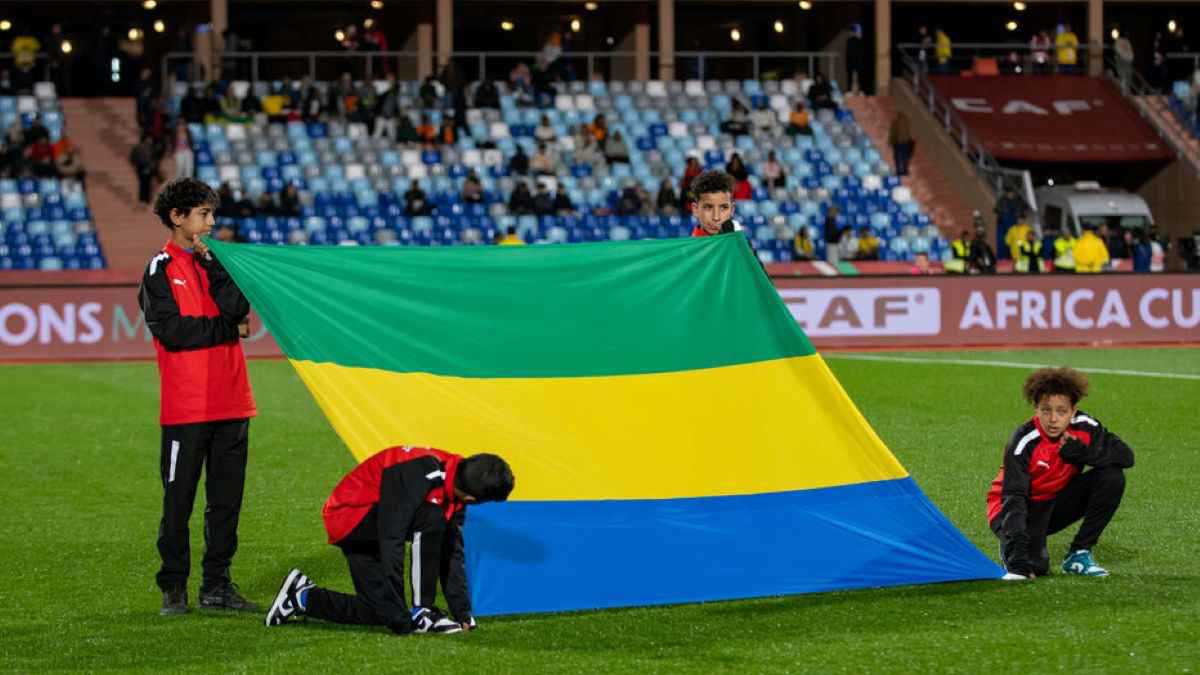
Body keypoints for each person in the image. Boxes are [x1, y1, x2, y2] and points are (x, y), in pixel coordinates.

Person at [138, 178, 257, 615]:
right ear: (178, 217)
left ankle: (217, 586)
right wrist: (227, 330)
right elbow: (172, 332)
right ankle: (173, 587)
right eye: (203, 214)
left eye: (211, 215)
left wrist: (213, 266)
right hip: (186, 409)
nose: (211, 223)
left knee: (225, 505)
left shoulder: (219, 262)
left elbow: (239, 309)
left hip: (234, 403)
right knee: (178, 504)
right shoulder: (159, 270)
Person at [264, 448, 514, 634]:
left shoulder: (457, 481)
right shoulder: (421, 474)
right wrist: (404, 604)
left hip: (375, 522)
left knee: (383, 612)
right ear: (472, 499)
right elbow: (391, 535)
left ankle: (302, 596)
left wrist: (463, 613)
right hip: (350, 517)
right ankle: (422, 610)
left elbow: (452, 552)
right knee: (432, 518)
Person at [987, 368, 1133, 580]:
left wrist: (1084, 453)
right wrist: (1017, 557)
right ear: (1036, 409)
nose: (1053, 419)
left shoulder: (1085, 427)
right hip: (1011, 509)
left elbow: (1126, 457)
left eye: (1061, 411)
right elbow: (1013, 496)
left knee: (1112, 477)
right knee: (1035, 567)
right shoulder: (1024, 440)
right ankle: (1012, 546)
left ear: (1073, 411)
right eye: (1046, 410)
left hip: (1052, 504)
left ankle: (1079, 554)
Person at [688, 170, 742, 237]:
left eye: (723, 208)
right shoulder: (690, 247)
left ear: (732, 210)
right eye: (708, 207)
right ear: (695, 209)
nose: (716, 217)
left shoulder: (741, 244)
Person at [888, 113, 915, 177]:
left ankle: (899, 171)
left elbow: (893, 132)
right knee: (905, 157)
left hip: (898, 142)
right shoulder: (907, 122)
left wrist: (891, 141)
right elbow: (909, 133)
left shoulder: (895, 122)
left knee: (897, 157)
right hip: (905, 142)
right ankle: (905, 170)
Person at [845, 23, 865, 96]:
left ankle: (860, 91)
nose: (849, 33)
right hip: (851, 62)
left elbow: (860, 52)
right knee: (851, 77)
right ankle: (850, 90)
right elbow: (848, 53)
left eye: (850, 32)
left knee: (859, 77)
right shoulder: (849, 40)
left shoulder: (858, 40)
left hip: (857, 62)